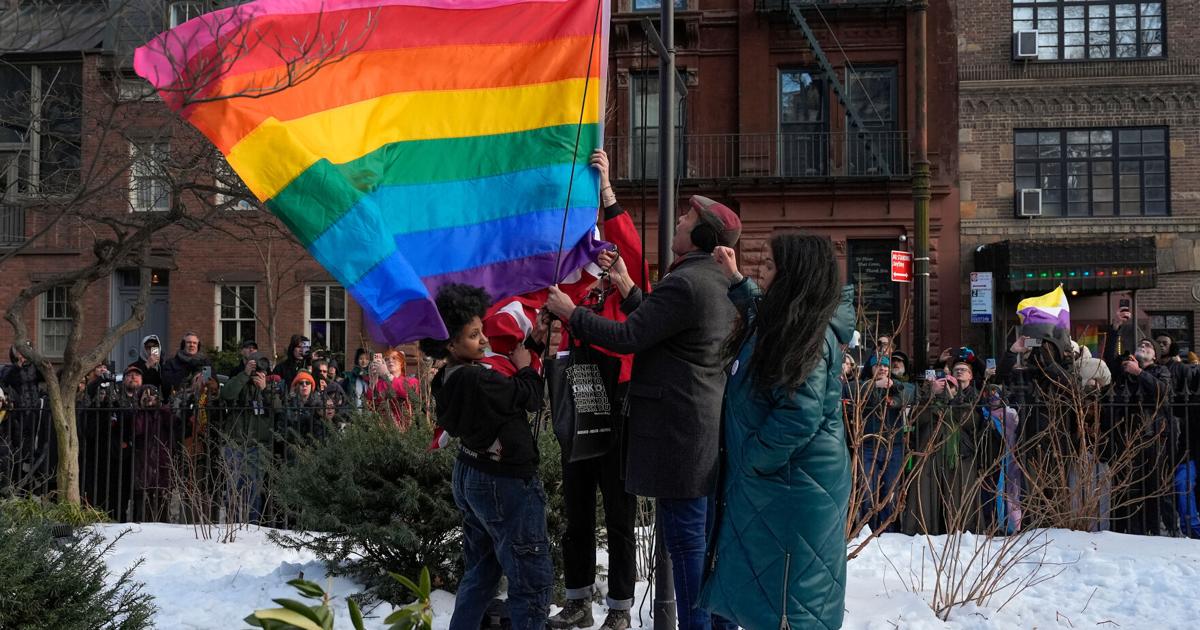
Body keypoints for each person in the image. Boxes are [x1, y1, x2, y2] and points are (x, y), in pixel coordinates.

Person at [546, 193, 742, 630]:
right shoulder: (712, 280)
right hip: (701, 434)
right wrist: (628, 288)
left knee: (688, 549)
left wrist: (571, 313)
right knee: (705, 549)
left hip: (680, 436)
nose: (677, 221)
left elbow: (632, 336)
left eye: (686, 217)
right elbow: (665, 329)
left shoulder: (686, 282)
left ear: (701, 235)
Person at [697, 235, 852, 630]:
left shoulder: (809, 337)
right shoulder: (790, 320)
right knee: (769, 596)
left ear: (792, 274)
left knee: (789, 605)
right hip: (778, 485)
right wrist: (735, 280)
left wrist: (754, 460)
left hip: (792, 489)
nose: (760, 271)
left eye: (769, 265)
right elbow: (762, 312)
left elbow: (799, 414)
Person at [547, 149, 646, 630]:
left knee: (619, 510)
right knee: (577, 507)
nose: (604, 255)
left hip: (619, 399)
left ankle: (621, 609)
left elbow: (628, 242)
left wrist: (606, 186)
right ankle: (578, 600)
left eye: (611, 252)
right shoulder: (572, 285)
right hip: (578, 394)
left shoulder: (630, 288)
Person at [420, 284, 550, 630]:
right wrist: (526, 366)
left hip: (472, 474)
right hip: (504, 484)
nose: (484, 341)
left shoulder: (451, 376)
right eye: (474, 335)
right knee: (531, 581)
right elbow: (529, 396)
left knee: (482, 572)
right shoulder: (478, 379)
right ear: (450, 343)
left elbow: (504, 390)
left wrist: (532, 346)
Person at [217, 351, 279, 523]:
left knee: (254, 490)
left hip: (258, 445)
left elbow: (278, 409)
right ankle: (232, 525)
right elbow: (226, 394)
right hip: (235, 442)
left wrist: (265, 390)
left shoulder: (269, 386)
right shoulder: (239, 380)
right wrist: (244, 375)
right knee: (233, 488)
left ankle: (252, 526)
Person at [366, 349, 418, 430]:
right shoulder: (379, 383)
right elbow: (369, 405)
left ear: (401, 363)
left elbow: (407, 393)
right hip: (383, 429)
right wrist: (373, 381)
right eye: (386, 359)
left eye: (394, 358)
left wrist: (387, 375)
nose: (390, 361)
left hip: (405, 428)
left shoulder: (411, 380)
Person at [161, 332, 211, 399]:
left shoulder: (205, 362)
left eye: (194, 343)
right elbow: (166, 386)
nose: (192, 345)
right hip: (178, 401)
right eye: (189, 342)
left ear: (198, 346)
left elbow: (209, 382)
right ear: (183, 345)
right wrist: (187, 368)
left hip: (201, 401)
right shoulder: (171, 363)